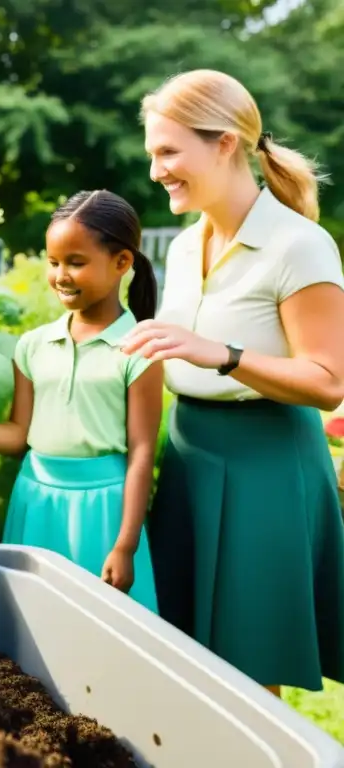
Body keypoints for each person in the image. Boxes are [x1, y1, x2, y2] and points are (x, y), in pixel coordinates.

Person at [121, 69, 344, 695]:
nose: (156, 170)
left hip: (267, 465)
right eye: (152, 155)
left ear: (223, 143)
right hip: (190, 458)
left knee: (249, 674)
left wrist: (221, 353)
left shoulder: (300, 246)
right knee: (187, 663)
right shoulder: (185, 246)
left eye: (169, 152)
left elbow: (328, 381)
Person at [0, 190, 163, 610]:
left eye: (76, 263)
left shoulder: (140, 349)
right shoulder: (32, 345)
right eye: (53, 261)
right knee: (33, 620)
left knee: (104, 622)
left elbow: (142, 453)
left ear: (121, 263)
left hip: (103, 510)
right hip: (36, 498)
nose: (61, 274)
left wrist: (126, 544)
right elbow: (21, 435)